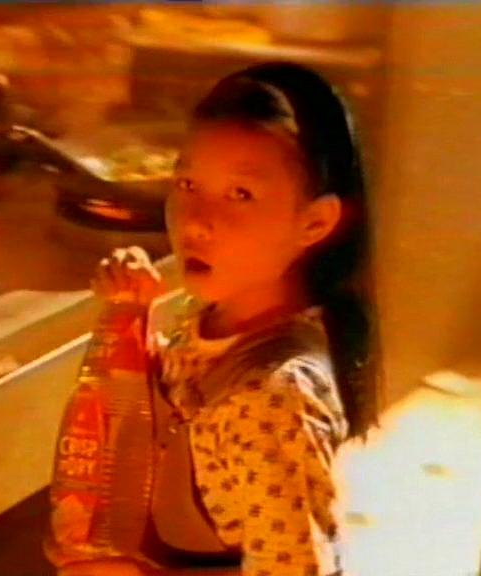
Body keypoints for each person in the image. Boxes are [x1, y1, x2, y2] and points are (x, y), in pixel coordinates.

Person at [65, 62, 381, 576]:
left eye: (240, 194)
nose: (195, 221)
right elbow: (177, 420)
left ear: (315, 222)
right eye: (187, 182)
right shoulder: (221, 315)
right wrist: (130, 318)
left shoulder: (272, 400)